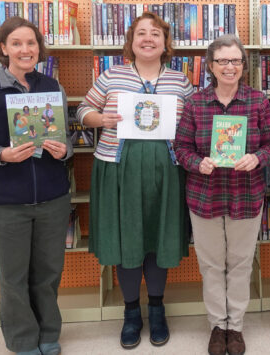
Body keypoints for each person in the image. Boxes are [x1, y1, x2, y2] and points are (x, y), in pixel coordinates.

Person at [76, 11, 193, 349]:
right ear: (131, 41)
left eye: (156, 33)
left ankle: (156, 309)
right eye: (141, 33)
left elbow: (192, 123)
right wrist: (101, 117)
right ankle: (131, 314)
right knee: (128, 240)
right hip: (118, 168)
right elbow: (83, 110)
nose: (148, 39)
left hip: (166, 170)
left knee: (159, 239)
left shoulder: (180, 81)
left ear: (165, 43)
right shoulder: (111, 76)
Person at [0, 16, 73, 355]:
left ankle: (49, 333)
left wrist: (64, 148)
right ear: (4, 49)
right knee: (13, 279)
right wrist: (3, 155)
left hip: (52, 199)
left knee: (49, 274)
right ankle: (23, 339)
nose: (25, 50)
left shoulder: (52, 87)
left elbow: (65, 137)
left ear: (40, 48)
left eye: (31, 43)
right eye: (17, 43)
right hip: (6, 202)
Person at [175, 34, 270, 355]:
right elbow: (181, 148)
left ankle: (236, 326)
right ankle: (217, 325)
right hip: (205, 196)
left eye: (235, 61)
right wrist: (197, 162)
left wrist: (257, 158)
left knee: (240, 264)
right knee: (211, 264)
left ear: (244, 65)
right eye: (222, 61)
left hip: (246, 195)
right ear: (210, 66)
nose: (229, 67)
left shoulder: (258, 101)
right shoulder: (195, 103)